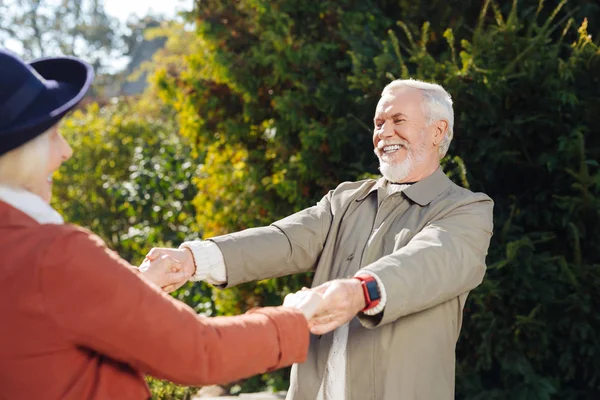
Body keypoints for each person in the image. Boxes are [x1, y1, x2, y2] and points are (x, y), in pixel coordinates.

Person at [0, 48, 324, 400]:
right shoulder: (52, 254)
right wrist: (294, 320)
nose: (66, 152)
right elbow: (200, 352)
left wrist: (135, 288)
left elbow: (46, 321)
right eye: (52, 136)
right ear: (19, 152)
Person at [148, 78, 495, 400]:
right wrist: (192, 259)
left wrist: (360, 292)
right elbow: (282, 240)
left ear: (438, 132)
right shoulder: (345, 201)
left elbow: (429, 260)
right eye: (378, 123)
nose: (383, 132)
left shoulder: (466, 210)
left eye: (398, 120)